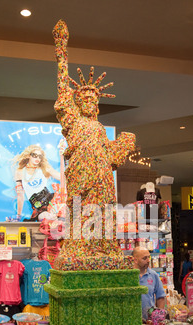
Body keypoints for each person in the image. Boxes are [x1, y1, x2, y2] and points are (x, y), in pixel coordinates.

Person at [52, 20, 136, 270]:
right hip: (81, 175)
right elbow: (63, 90)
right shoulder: (73, 120)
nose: (88, 101)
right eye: (84, 98)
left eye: (92, 98)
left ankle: (104, 245)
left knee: (104, 208)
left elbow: (110, 155)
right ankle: (78, 243)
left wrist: (124, 143)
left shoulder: (99, 128)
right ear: (78, 103)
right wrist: (61, 51)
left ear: (97, 104)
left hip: (101, 177)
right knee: (80, 209)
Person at [13, 145, 60, 222]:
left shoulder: (44, 168)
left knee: (55, 217)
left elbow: (62, 177)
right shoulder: (20, 172)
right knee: (45, 218)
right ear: (29, 156)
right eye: (35, 155)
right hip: (38, 207)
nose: (37, 158)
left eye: (40, 156)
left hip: (51, 201)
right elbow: (20, 196)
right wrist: (18, 215)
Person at [133, 246, 166, 320]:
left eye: (149, 257)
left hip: (149, 320)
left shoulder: (153, 275)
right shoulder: (129, 275)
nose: (148, 261)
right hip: (132, 319)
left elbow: (160, 297)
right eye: (144, 258)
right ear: (135, 260)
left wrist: (159, 316)